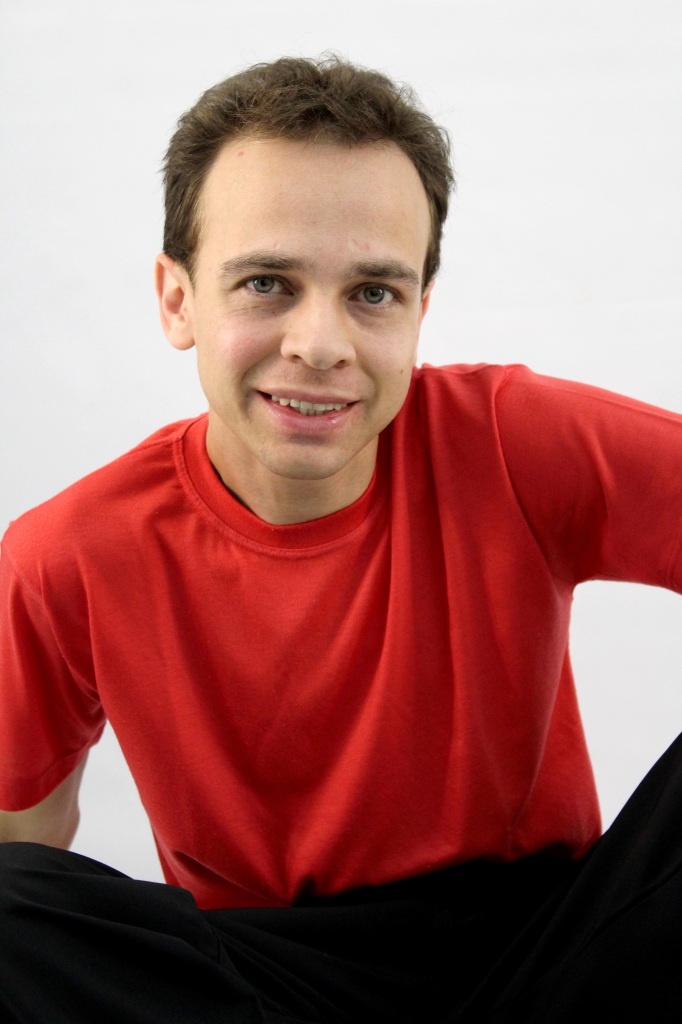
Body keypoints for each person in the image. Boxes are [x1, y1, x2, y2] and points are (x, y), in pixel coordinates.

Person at [0, 53, 681, 1024]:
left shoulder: (512, 440)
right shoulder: (65, 552)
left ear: (418, 313)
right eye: (267, 282)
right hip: (267, 984)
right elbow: (27, 845)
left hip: (551, 954)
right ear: (178, 299)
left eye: (372, 293)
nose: (320, 344)